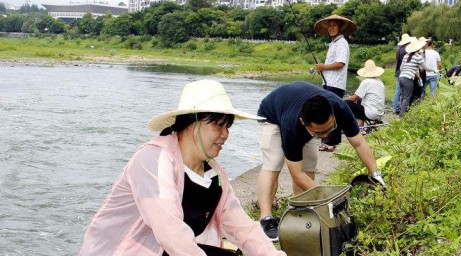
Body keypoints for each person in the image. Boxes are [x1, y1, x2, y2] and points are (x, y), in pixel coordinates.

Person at [79, 80, 285, 256]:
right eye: (218, 125)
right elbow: (170, 231)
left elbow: (243, 228)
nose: (225, 135)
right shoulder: (153, 159)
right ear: (193, 123)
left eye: (227, 127)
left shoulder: (215, 175)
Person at [256, 81, 387, 240]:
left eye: (329, 129)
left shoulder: (340, 108)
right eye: (320, 133)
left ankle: (298, 209)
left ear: (333, 115)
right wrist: (328, 198)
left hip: (298, 108)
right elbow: (296, 173)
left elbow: (359, 143)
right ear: (304, 123)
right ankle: (265, 218)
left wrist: (376, 173)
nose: (325, 136)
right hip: (272, 116)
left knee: (310, 162)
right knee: (274, 162)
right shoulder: (292, 126)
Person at [313, 14, 356, 151]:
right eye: (329, 25)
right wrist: (322, 70)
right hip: (330, 82)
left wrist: (324, 67)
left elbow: (340, 64)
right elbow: (333, 64)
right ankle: (330, 141)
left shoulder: (342, 43)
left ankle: (330, 143)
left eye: (334, 25)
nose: (331, 28)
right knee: (330, 112)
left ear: (340, 27)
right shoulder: (334, 43)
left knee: (331, 113)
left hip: (335, 84)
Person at [344, 59, 386, 128]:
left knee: (347, 103)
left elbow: (354, 98)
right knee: (360, 100)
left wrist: (343, 101)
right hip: (380, 113)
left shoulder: (366, 82)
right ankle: (361, 124)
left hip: (370, 114)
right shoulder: (380, 82)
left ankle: (349, 126)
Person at [398, 38, 428, 116]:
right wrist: (434, 70)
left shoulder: (406, 56)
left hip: (401, 77)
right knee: (407, 98)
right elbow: (426, 68)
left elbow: (401, 68)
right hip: (408, 79)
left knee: (403, 96)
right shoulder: (418, 57)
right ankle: (402, 116)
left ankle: (401, 112)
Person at [393, 33, 412, 115]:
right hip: (404, 72)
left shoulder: (399, 50)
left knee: (397, 91)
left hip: (398, 72)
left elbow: (398, 62)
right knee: (403, 92)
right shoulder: (407, 50)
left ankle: (396, 108)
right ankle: (400, 108)